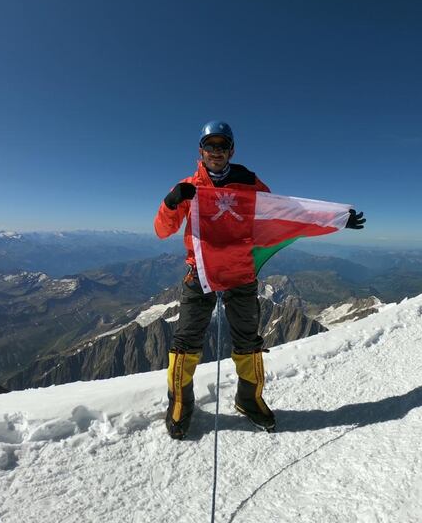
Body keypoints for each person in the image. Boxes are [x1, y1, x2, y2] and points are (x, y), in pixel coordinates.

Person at [154, 121, 366, 439]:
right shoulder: (189, 187)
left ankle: (249, 401)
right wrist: (171, 202)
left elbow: (285, 212)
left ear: (231, 150)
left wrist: (334, 219)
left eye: (222, 145)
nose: (216, 152)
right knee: (185, 343)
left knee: (248, 343)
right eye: (210, 146)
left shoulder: (249, 183)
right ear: (201, 150)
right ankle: (180, 404)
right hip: (200, 273)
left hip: (241, 272)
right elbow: (162, 230)